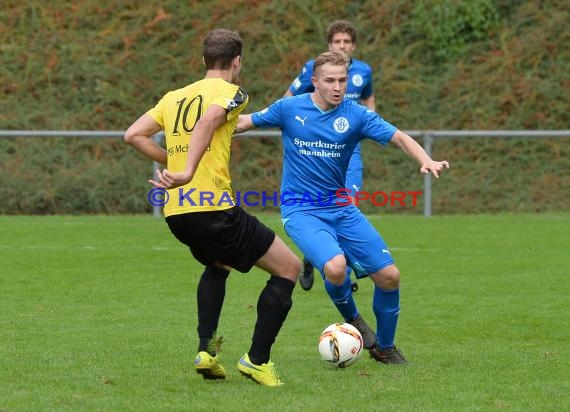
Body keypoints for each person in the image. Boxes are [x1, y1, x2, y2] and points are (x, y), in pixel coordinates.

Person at [236, 51, 450, 364]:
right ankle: (354, 319)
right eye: (330, 80)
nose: (338, 87)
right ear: (315, 82)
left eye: (342, 80)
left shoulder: (356, 114)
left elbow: (399, 137)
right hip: (301, 211)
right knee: (336, 267)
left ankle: (384, 347)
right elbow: (243, 122)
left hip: (341, 209)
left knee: (390, 276)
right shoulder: (290, 108)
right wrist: (213, 116)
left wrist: (425, 159)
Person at [124, 28, 301, 387]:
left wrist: (172, 166)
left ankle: (207, 352)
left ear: (204, 60)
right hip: (212, 207)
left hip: (176, 212)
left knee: (218, 264)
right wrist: (187, 170)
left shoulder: (174, 97)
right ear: (237, 62)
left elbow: (133, 135)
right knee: (289, 268)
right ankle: (257, 361)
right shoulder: (233, 91)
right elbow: (208, 120)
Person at [284, 20, 375, 292]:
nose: (342, 46)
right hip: (318, 148)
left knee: (348, 203)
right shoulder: (315, 69)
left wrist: (370, 124)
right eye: (338, 42)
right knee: (325, 204)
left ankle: (337, 266)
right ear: (330, 45)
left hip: (350, 149)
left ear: (354, 45)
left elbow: (369, 100)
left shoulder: (363, 72)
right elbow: (289, 96)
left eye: (347, 42)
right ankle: (330, 262)